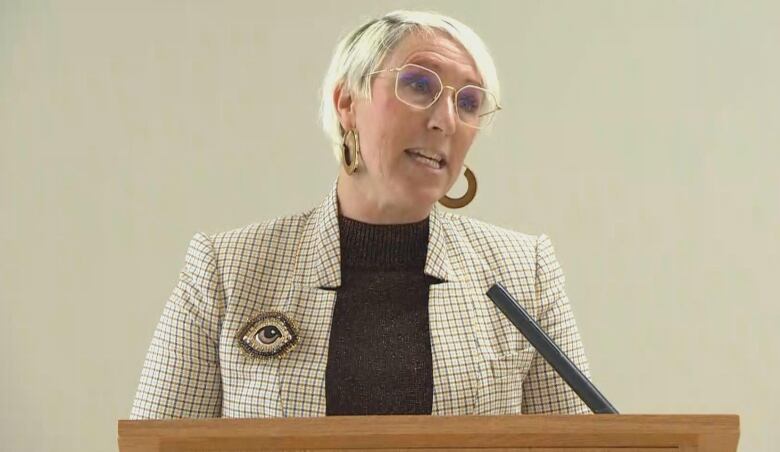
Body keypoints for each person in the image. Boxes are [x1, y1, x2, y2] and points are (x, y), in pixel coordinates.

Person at [130, 9, 592, 419]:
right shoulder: (228, 269)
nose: (446, 120)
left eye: (468, 102)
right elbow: (156, 443)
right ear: (347, 103)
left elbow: (583, 446)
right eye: (418, 84)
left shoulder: (523, 270)